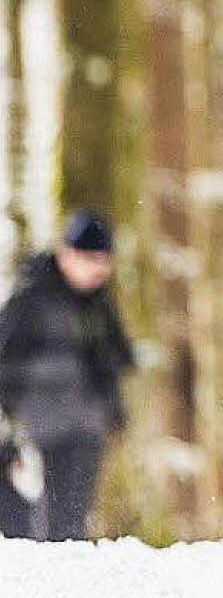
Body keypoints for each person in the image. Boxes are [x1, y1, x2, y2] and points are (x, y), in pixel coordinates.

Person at [0, 209, 134, 540]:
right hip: (36, 431)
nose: (97, 270)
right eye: (89, 259)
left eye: (103, 261)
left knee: (72, 524)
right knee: (34, 525)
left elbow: (115, 360)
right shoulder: (31, 297)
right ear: (66, 255)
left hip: (87, 429)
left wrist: (113, 410)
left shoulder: (99, 304)